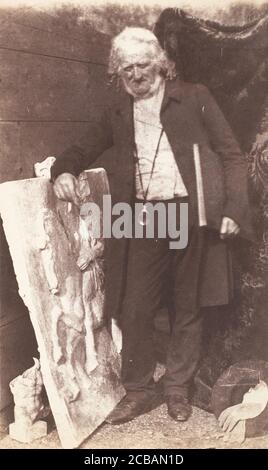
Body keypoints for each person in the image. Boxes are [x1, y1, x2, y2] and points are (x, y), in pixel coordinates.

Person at [51, 27, 253, 424]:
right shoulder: (118, 110)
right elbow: (80, 147)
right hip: (142, 217)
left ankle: (177, 388)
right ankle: (139, 389)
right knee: (135, 305)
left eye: (142, 65)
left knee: (187, 304)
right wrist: (63, 170)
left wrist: (233, 208)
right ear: (118, 72)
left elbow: (232, 155)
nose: (136, 74)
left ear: (159, 64)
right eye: (126, 68)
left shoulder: (194, 97)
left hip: (190, 214)